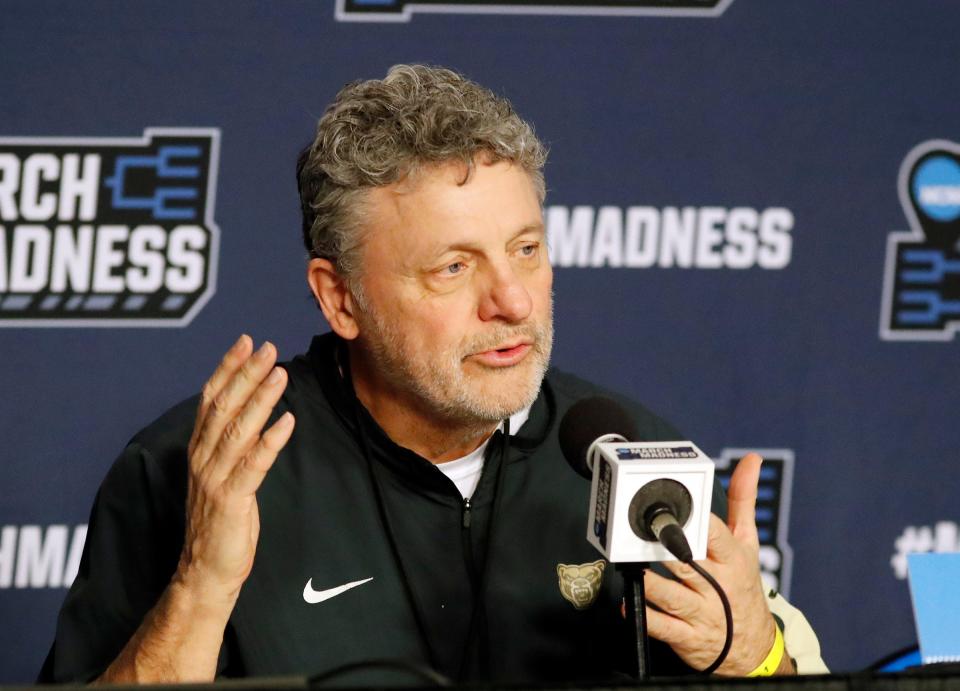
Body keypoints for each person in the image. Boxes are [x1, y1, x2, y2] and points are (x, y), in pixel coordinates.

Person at [40, 64, 826, 684]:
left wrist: (758, 656)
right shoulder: (193, 471)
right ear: (339, 297)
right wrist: (201, 590)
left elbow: (771, 667)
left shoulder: (630, 452)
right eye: (454, 267)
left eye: (526, 248)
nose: (513, 300)